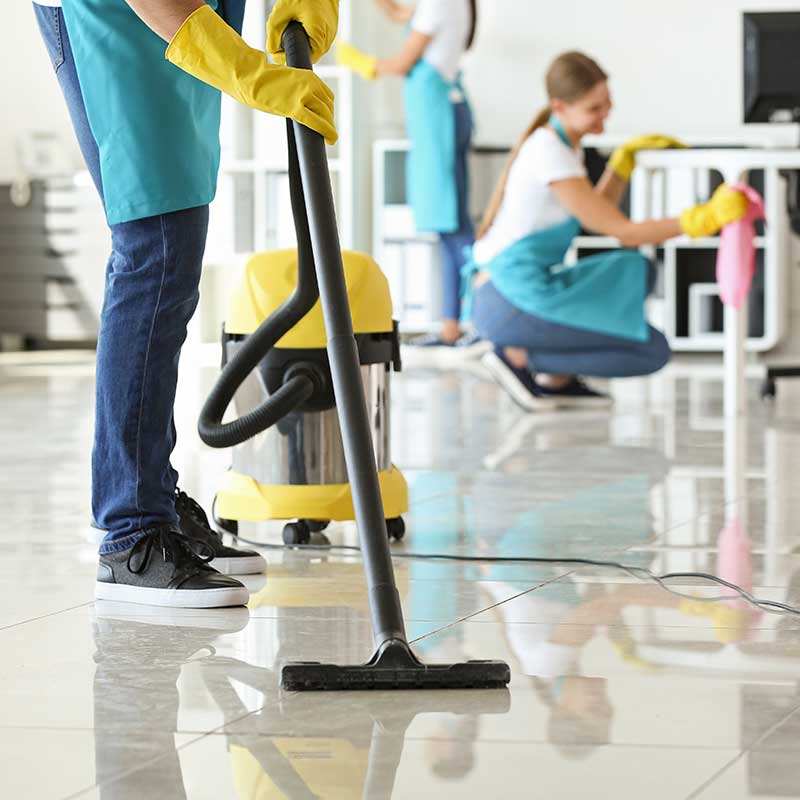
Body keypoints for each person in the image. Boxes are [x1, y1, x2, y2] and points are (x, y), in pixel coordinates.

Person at [32, 0, 339, 608]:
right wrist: (248, 72)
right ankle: (133, 531)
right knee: (156, 246)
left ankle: (150, 498)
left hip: (189, 12)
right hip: (113, 15)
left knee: (176, 237)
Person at [468, 51, 749, 411]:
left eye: (607, 104)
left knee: (637, 271)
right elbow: (623, 233)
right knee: (651, 351)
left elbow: (593, 212)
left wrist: (620, 166)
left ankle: (555, 378)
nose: (605, 115)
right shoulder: (548, 152)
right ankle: (520, 358)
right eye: (594, 108)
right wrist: (702, 219)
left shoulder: (563, 146)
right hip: (508, 301)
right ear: (559, 106)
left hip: (520, 290)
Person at [337, 0, 484, 356]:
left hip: (440, 117)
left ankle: (481, 320)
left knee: (452, 225)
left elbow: (402, 62)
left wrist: (361, 63)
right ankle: (452, 326)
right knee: (448, 225)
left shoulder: (440, 2)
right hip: (444, 112)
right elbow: (400, 14)